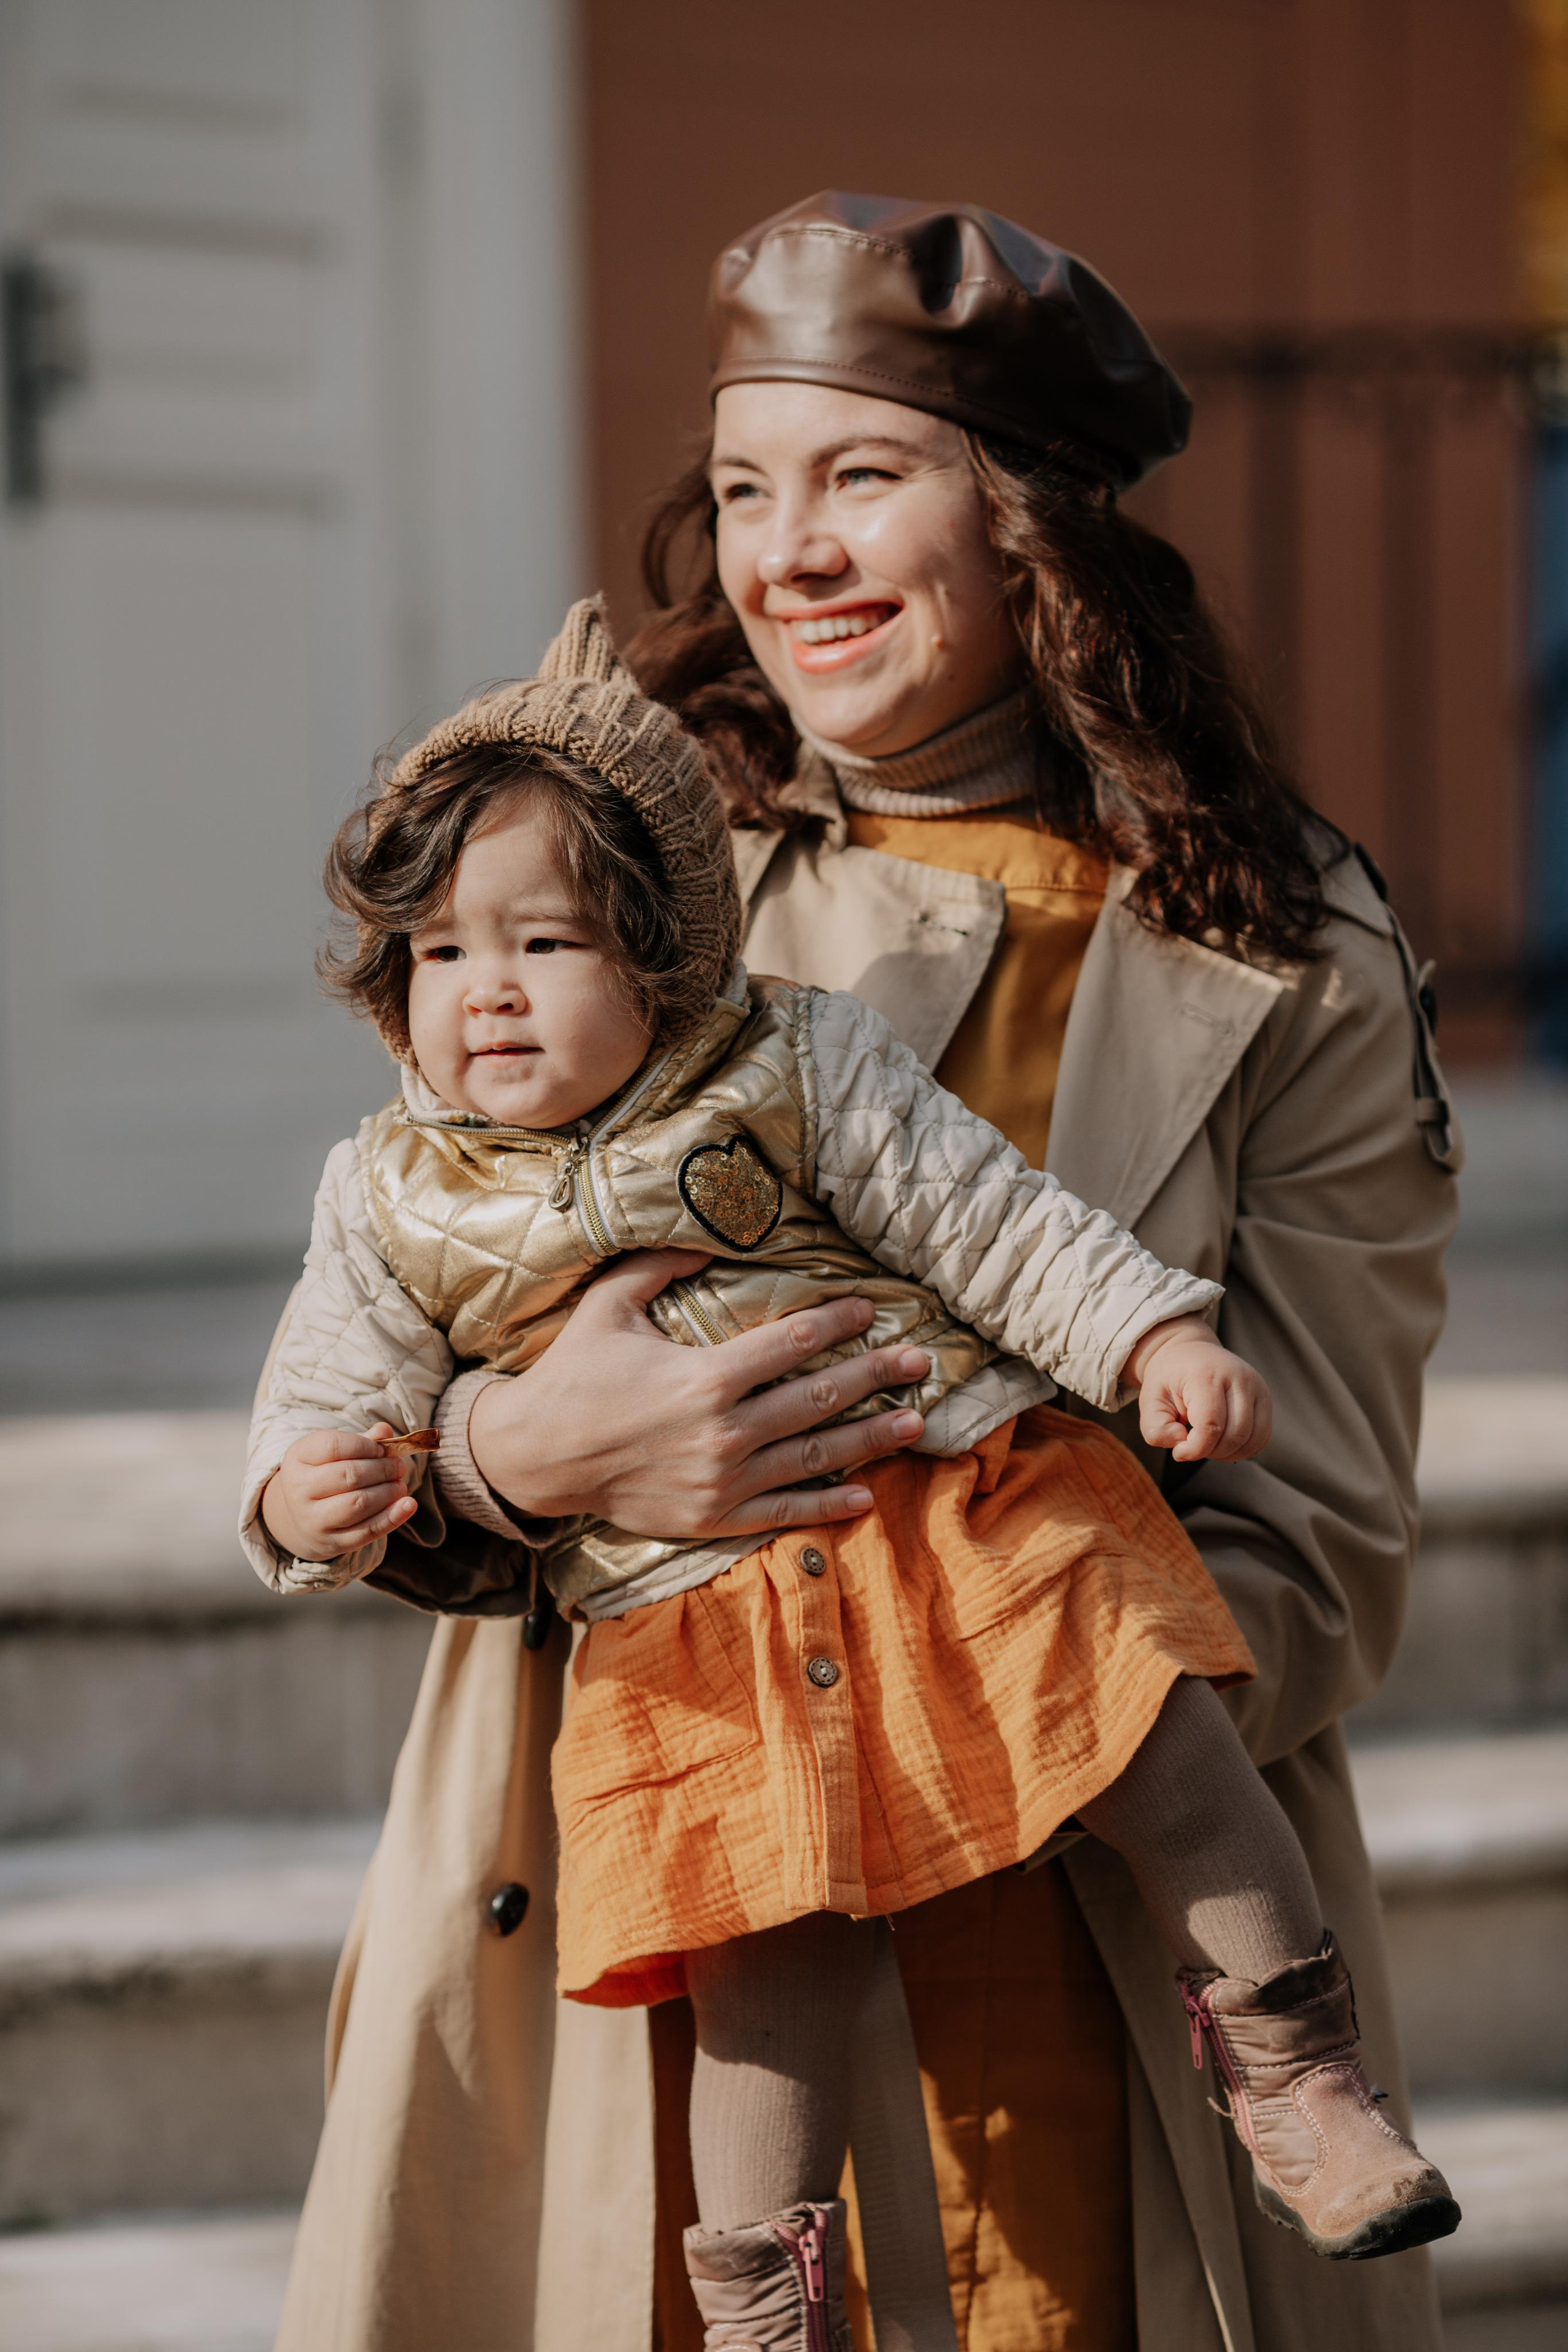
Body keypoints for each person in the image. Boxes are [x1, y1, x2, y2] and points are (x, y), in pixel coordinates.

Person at [260, 196, 1460, 2352]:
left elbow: (1329, 1531)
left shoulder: (1284, 949)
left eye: (861, 479)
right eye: (741, 490)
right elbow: (398, 1289)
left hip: (1108, 1930)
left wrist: (978, 1712)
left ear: (1027, 529)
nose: (786, 552)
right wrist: (515, 1459)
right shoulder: (600, 888)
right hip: (682, 1886)